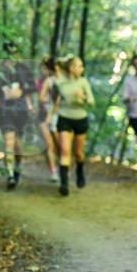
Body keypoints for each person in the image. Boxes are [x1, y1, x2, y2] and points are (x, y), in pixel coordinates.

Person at [0, 42, 37, 190]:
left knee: (18, 145)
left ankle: (17, 167)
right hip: (5, 111)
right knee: (8, 143)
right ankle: (10, 175)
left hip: (21, 112)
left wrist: (27, 102)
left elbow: (30, 90)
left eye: (14, 53)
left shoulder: (24, 70)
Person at [54, 55, 95, 196]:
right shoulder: (60, 83)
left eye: (82, 66)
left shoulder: (83, 82)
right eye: (79, 66)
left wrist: (82, 97)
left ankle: (79, 170)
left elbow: (91, 102)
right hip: (64, 117)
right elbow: (54, 100)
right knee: (65, 150)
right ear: (71, 68)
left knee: (78, 152)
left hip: (80, 118)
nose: (82, 68)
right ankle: (64, 184)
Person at [37, 56, 60, 182]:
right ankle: (53, 171)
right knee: (49, 144)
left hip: (58, 116)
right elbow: (41, 98)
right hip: (44, 116)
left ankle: (61, 167)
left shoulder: (62, 81)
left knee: (58, 145)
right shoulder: (46, 81)